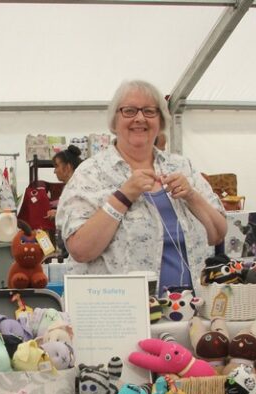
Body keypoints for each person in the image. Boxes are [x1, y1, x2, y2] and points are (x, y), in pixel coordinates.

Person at [55, 79, 226, 292]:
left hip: (188, 312)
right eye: (129, 111)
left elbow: (218, 234)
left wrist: (192, 196)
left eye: (149, 111)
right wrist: (123, 196)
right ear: (114, 121)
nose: (139, 118)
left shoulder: (181, 167)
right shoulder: (91, 174)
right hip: (120, 315)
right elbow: (80, 250)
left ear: (161, 121)